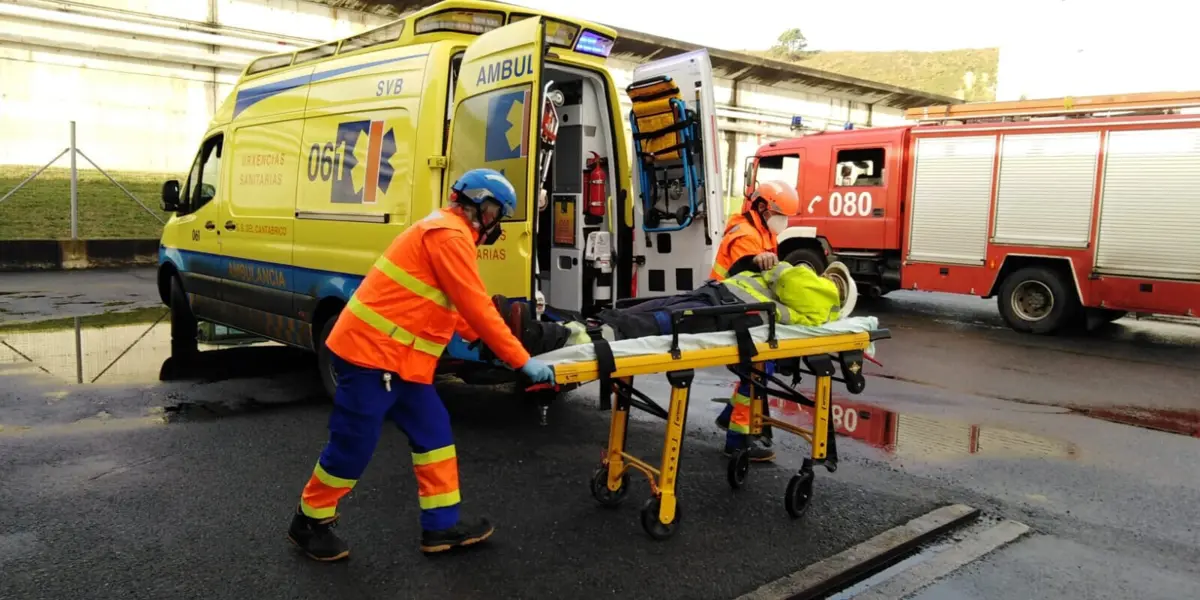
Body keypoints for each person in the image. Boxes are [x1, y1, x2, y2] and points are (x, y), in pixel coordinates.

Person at [286, 168, 557, 562]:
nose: (497, 225)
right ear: (483, 206)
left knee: (434, 434)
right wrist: (521, 360)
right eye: (499, 214)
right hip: (369, 356)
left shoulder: (447, 232)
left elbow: (451, 304)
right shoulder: (449, 235)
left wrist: (479, 340)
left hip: (401, 363)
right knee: (353, 444)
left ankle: (441, 525)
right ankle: (310, 520)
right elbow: (475, 305)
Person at [709, 180, 801, 462]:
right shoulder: (746, 236)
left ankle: (729, 418)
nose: (784, 222)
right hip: (730, 311)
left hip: (739, 309)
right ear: (762, 207)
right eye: (780, 215)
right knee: (756, 372)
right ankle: (736, 441)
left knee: (760, 371)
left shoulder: (762, 231)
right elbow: (746, 284)